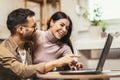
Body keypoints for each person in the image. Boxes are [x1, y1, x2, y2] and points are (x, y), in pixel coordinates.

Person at [0, 8, 80, 80]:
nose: (36, 29)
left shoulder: (28, 45)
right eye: (33, 26)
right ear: (21, 29)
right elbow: (23, 71)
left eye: (67, 28)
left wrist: (73, 62)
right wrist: (56, 62)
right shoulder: (3, 51)